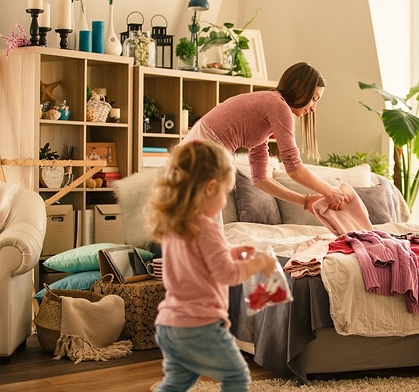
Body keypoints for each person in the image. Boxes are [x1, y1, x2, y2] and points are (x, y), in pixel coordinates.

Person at [146, 139, 277, 392]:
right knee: (237, 377)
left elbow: (198, 260)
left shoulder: (177, 225)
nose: (225, 202)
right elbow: (228, 274)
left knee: (177, 383)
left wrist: (231, 251)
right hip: (200, 326)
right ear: (210, 188)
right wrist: (260, 263)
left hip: (171, 325)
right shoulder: (208, 228)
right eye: (225, 194)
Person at [181, 62, 348, 211]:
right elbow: (294, 168)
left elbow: (260, 179)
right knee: (205, 226)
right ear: (298, 87)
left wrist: (305, 202)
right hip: (205, 151)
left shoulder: (266, 110)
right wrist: (329, 191)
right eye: (314, 99)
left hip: (198, 149)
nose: (313, 108)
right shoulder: (277, 105)